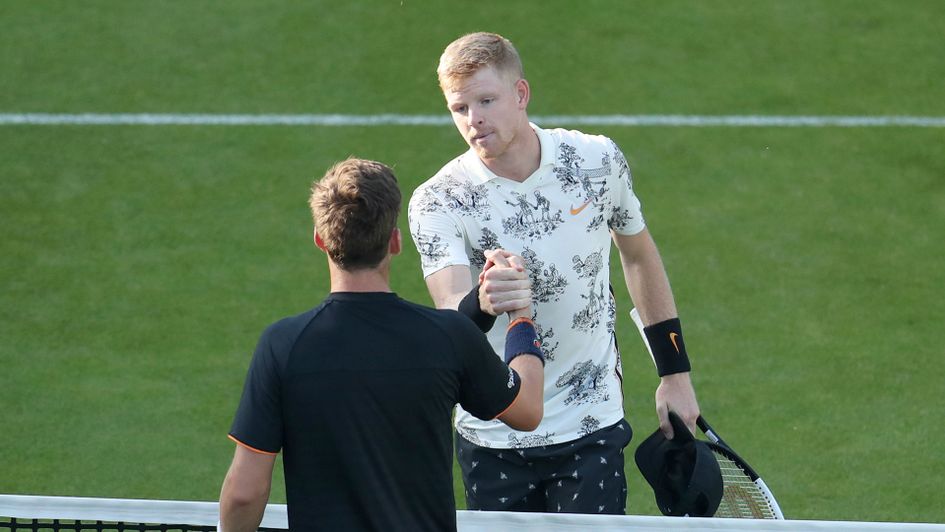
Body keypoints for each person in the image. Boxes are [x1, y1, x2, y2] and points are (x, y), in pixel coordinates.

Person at [407, 32, 700, 515]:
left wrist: (675, 375)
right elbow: (450, 322)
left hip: (591, 423)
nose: (474, 120)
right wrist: (483, 300)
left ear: (520, 95)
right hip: (493, 432)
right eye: (459, 108)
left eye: (486, 100)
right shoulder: (438, 200)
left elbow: (639, 256)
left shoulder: (596, 161)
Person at [219, 158, 545, 531]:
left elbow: (245, 493)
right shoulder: (449, 335)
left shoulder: (283, 345)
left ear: (320, 239)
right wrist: (520, 317)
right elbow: (527, 410)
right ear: (394, 241)